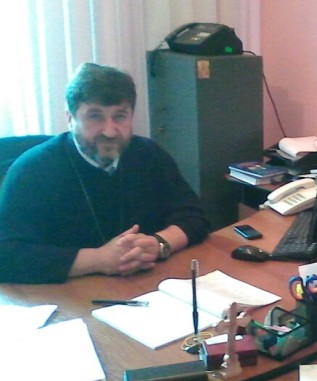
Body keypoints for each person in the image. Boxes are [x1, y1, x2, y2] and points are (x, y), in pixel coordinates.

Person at [0, 63, 210, 284]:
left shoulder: (149, 154)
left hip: (149, 285)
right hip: (70, 294)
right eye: (95, 116)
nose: (109, 131)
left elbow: (195, 216)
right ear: (70, 118)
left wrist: (158, 244)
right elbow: (6, 254)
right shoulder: (33, 170)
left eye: (120, 116)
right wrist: (98, 259)